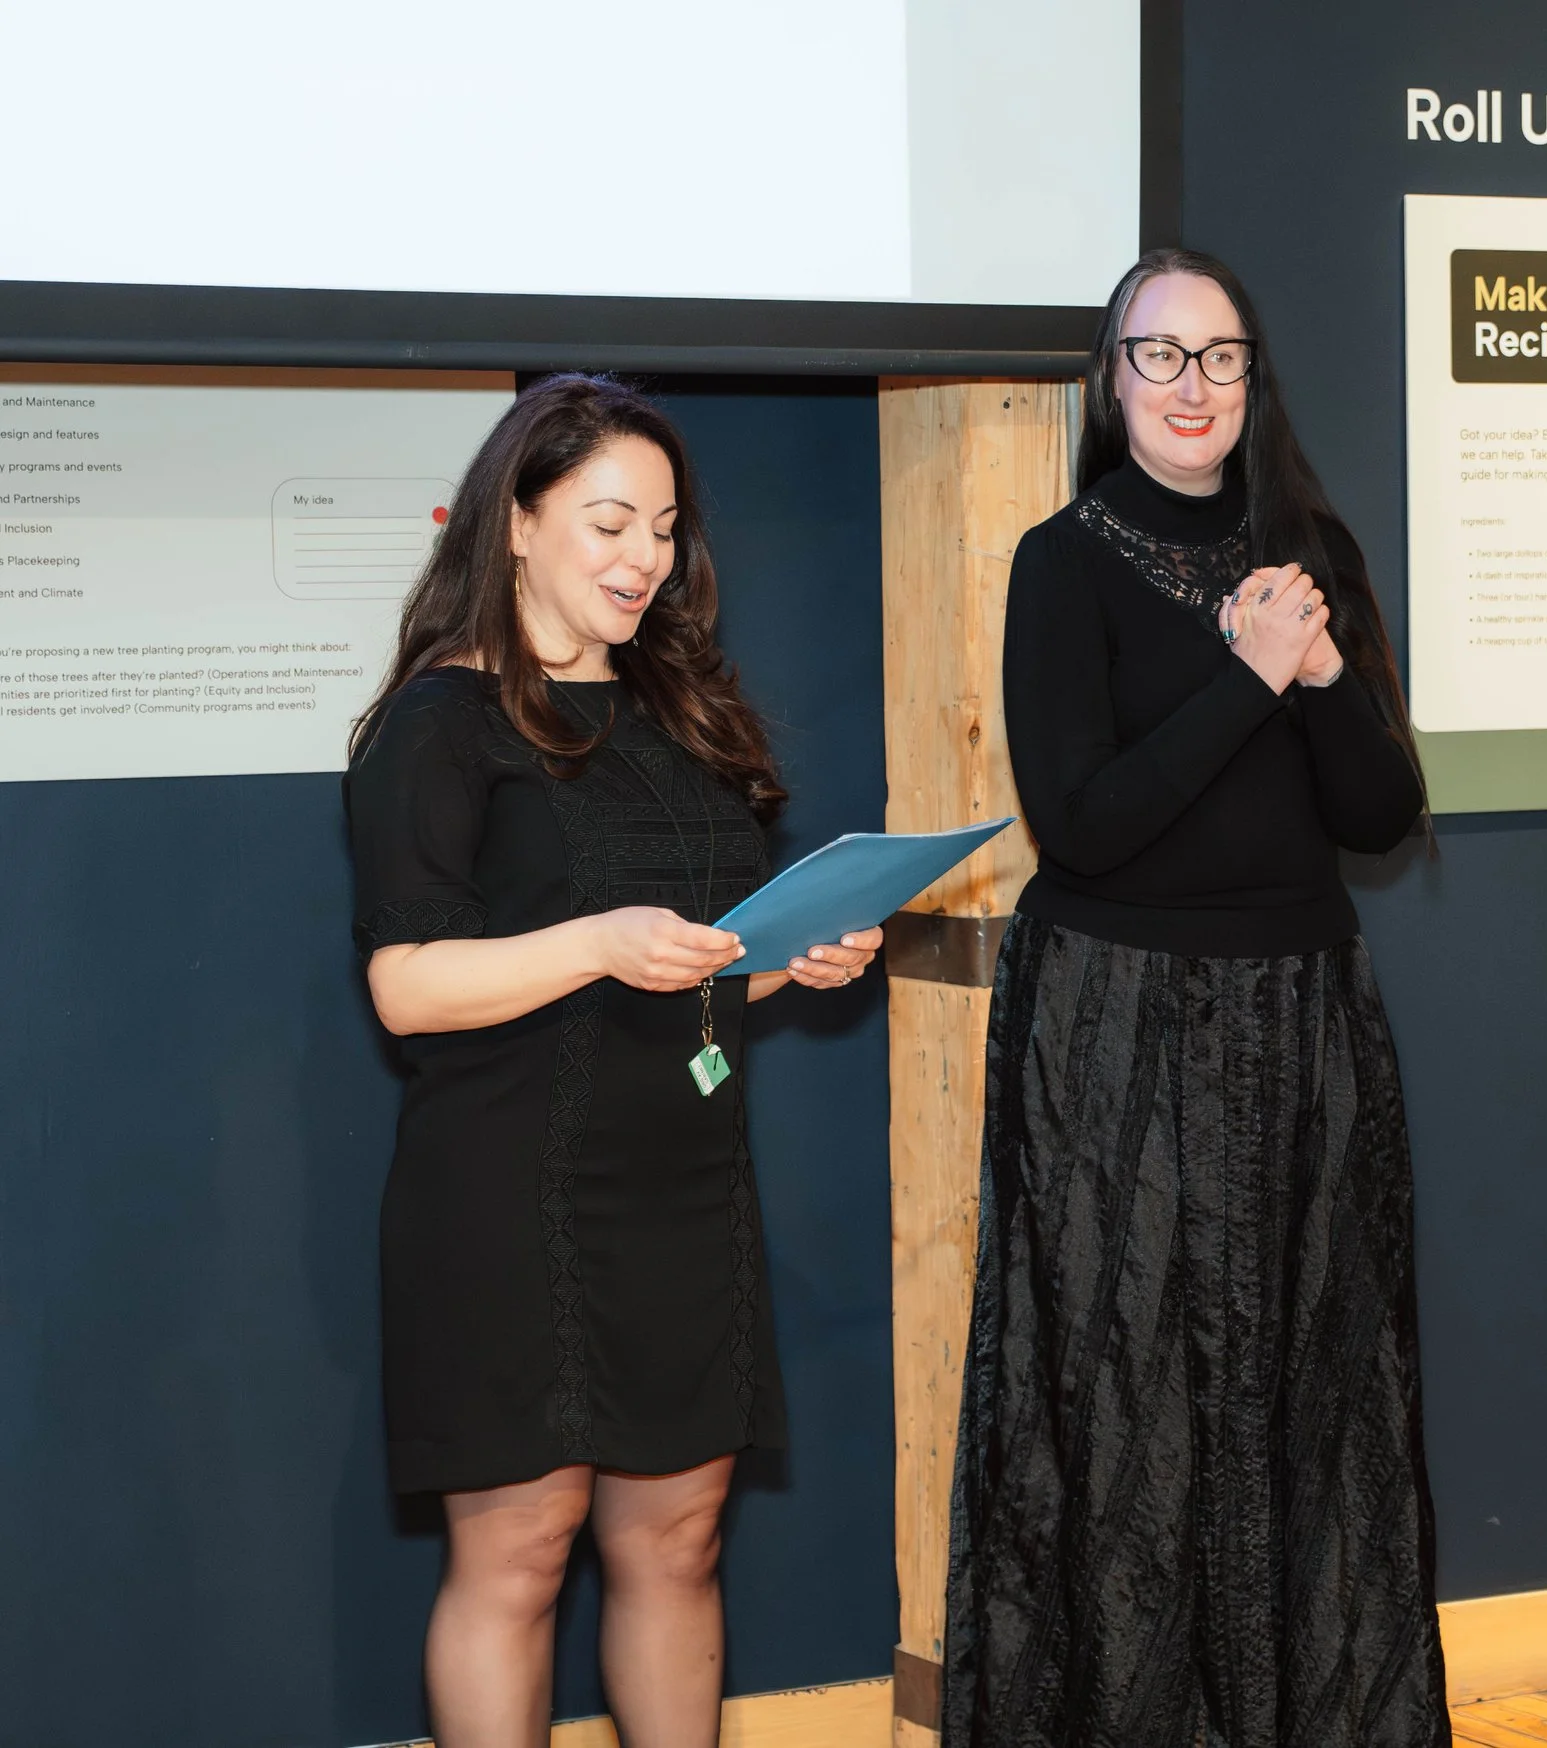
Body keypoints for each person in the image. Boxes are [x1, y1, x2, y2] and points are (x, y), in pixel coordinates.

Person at [942, 249, 1447, 1747]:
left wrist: (1322, 670)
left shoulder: (1313, 557)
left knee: (1311, 1405)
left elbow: (1379, 814)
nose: (1192, 389)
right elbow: (1084, 825)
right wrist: (1245, 676)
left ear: (1254, 380)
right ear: (1113, 382)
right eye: (1159, 358)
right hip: (1116, 1032)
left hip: (1303, 1027)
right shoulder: (1065, 560)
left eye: (1220, 358)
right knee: (1130, 1419)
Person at [344, 374, 879, 1747]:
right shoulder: (437, 723)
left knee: (680, 1540)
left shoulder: (679, 710)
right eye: (606, 523)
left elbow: (690, 955)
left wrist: (785, 955)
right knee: (518, 1556)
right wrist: (595, 940)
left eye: (662, 528)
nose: (643, 557)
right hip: (509, 1192)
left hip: (684, 1183)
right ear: (514, 526)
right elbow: (406, 987)